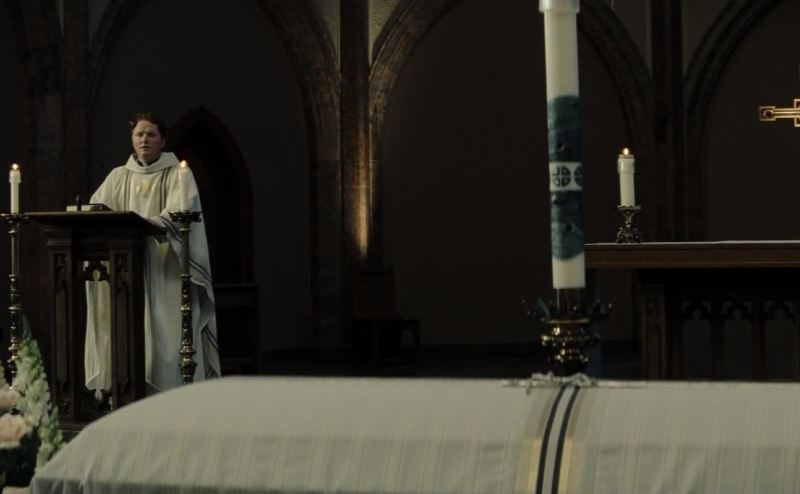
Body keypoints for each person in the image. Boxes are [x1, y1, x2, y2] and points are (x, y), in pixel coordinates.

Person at [84, 112, 220, 395]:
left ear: (163, 140)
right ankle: (123, 394)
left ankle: (171, 396)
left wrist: (145, 225)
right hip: (124, 273)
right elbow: (96, 210)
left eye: (151, 134)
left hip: (166, 270)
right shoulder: (118, 176)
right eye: (139, 134)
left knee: (166, 339)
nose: (144, 140)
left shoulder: (179, 174)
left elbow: (181, 211)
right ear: (132, 139)